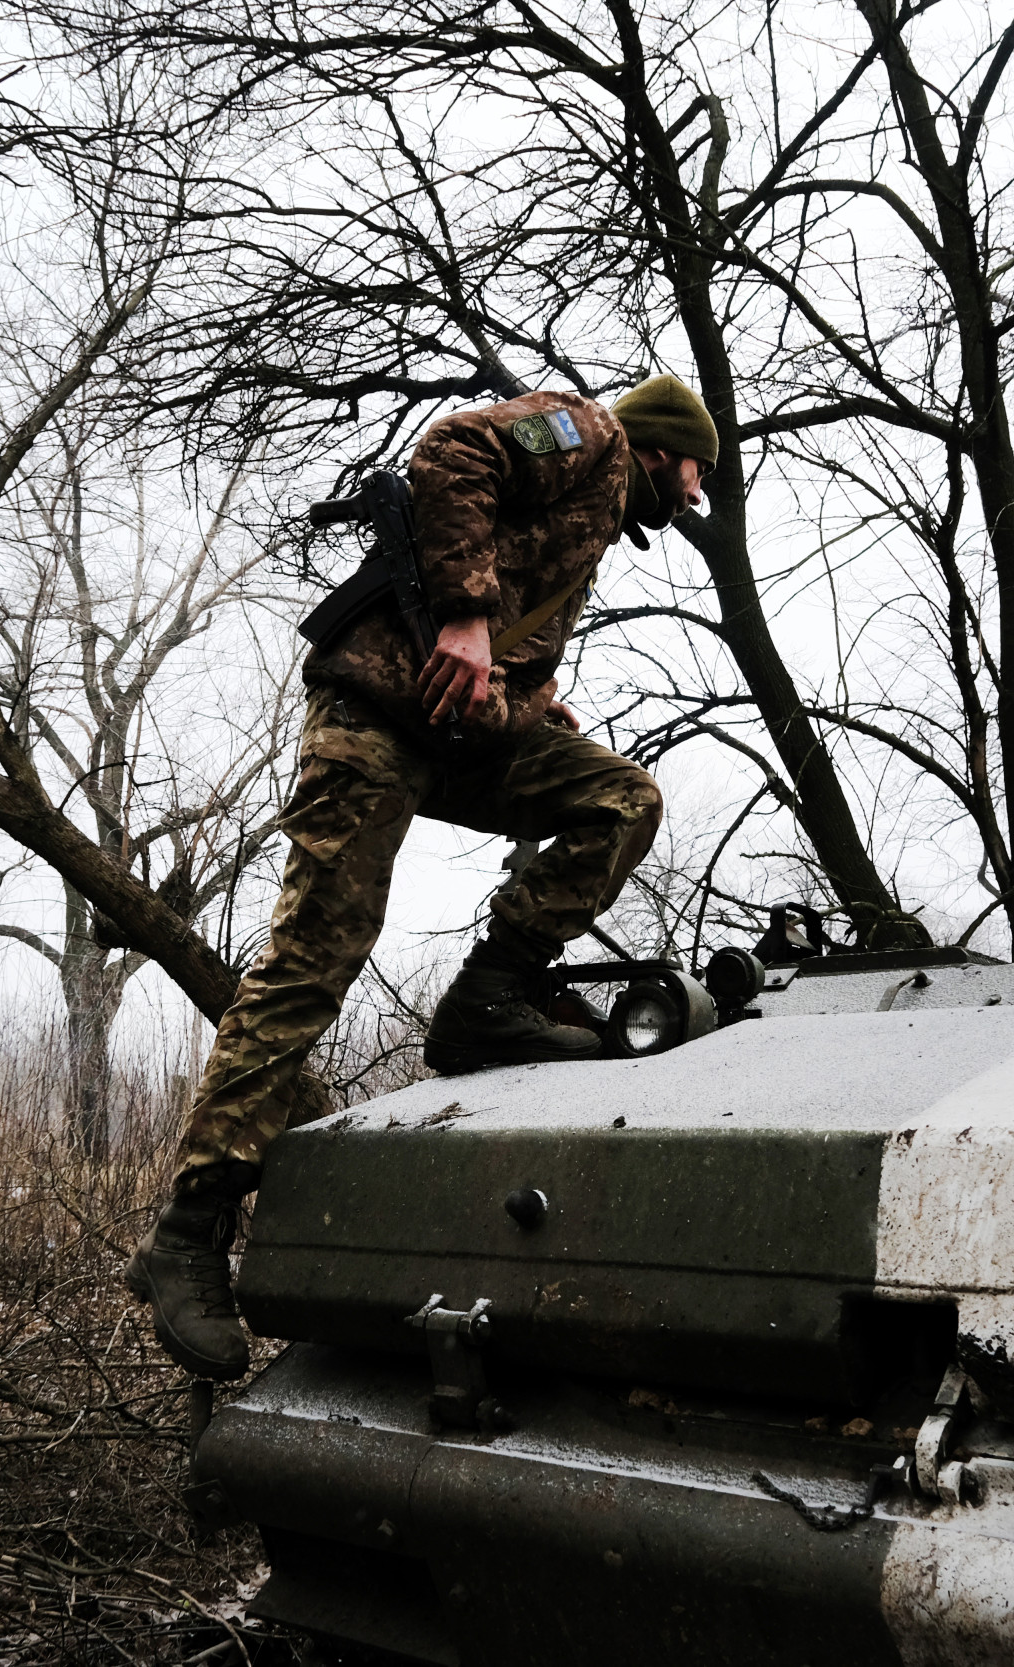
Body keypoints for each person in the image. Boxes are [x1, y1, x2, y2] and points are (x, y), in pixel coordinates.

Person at [128, 375, 720, 1379]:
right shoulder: (595, 434)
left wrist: (530, 691)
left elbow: (506, 609)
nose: (695, 494)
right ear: (668, 448)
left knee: (619, 798)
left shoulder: (593, 506)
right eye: (697, 471)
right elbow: (455, 451)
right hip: (375, 712)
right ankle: (189, 1228)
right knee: (317, 953)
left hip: (459, 731)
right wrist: (466, 617)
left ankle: (488, 997)